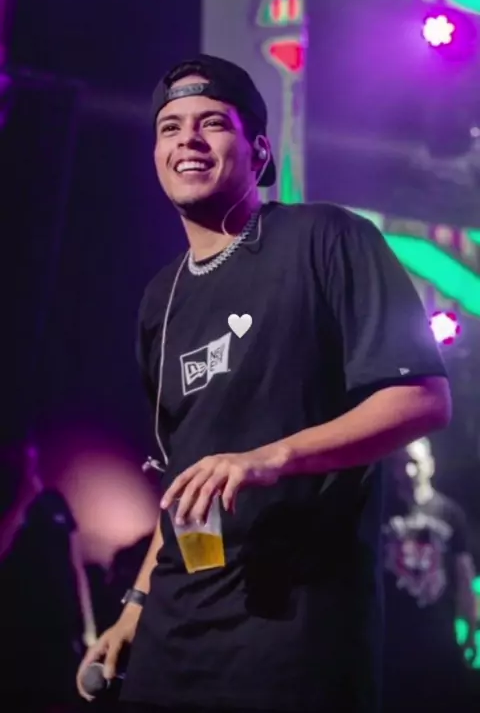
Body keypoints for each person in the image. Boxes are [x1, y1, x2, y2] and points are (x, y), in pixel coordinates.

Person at [77, 54, 451, 713]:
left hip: (294, 634)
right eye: (170, 128)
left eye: (212, 123)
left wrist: (270, 457)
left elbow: (422, 399)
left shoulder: (328, 238)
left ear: (258, 150)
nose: (188, 140)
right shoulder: (160, 299)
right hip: (173, 633)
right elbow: (185, 482)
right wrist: (135, 606)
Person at [0, 437, 97, 711]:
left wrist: (89, 629)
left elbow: (77, 567)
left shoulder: (54, 501)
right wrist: (23, 500)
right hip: (18, 632)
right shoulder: (9, 501)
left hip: (61, 630)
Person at [382, 438, 478, 712]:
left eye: (414, 462)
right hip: (393, 644)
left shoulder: (450, 513)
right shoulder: (382, 514)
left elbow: (464, 577)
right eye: (401, 464)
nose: (408, 471)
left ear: (430, 465)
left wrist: (471, 629)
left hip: (439, 641)